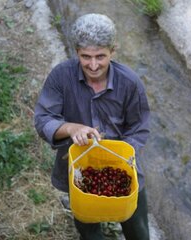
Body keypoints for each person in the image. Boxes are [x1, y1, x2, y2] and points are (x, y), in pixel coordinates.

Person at [34, 13, 151, 240]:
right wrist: (71, 128)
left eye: (100, 56)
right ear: (76, 52)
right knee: (88, 230)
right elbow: (43, 119)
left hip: (122, 167)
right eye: (85, 56)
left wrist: (120, 155)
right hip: (80, 171)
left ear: (113, 51)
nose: (93, 65)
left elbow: (139, 127)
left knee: (138, 231)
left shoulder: (130, 83)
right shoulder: (61, 77)